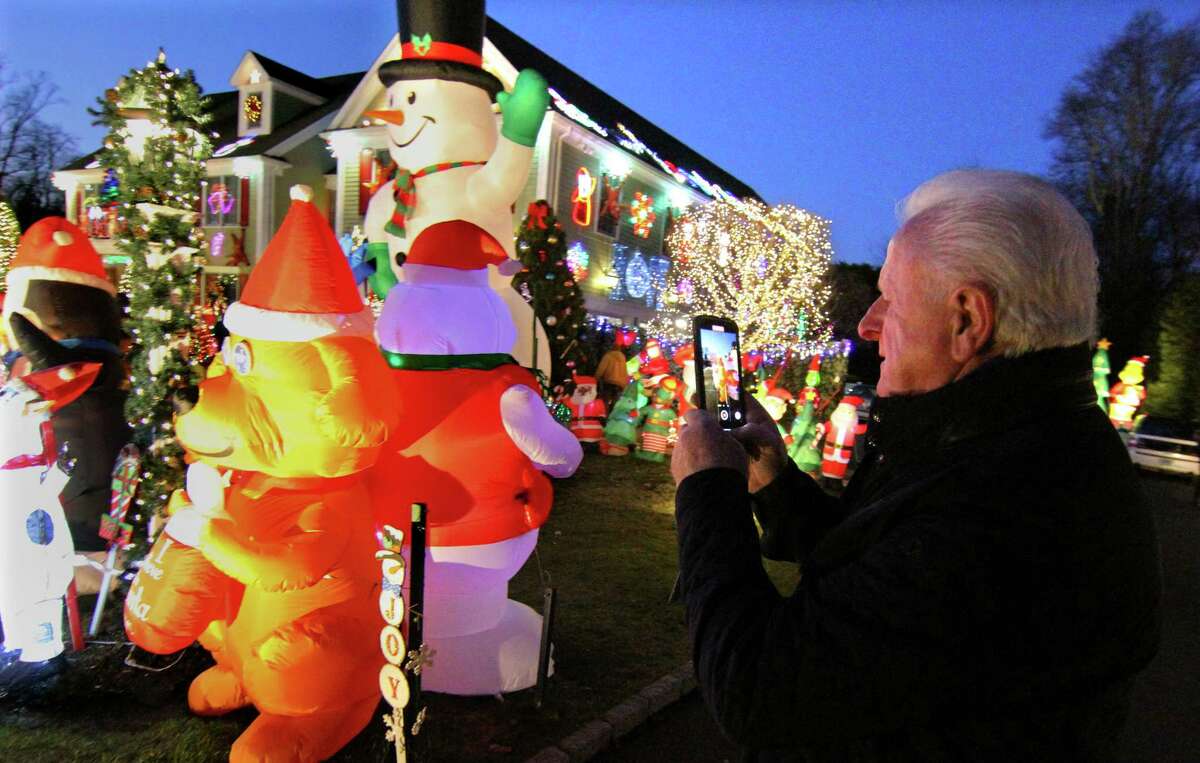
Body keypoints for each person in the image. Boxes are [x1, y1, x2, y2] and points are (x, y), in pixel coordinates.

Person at [671, 169, 1162, 761]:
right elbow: (884, 569)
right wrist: (775, 482)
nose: (868, 324)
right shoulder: (1006, 440)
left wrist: (707, 491)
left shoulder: (1011, 505)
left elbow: (758, 689)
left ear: (967, 320)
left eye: (891, 299)